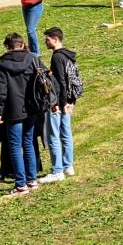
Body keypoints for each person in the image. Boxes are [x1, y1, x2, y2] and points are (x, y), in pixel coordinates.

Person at [0, 32, 45, 194]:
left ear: (7, 47)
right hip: (31, 108)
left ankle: (20, 184)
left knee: (15, 146)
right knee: (28, 142)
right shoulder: (32, 59)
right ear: (22, 45)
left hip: (12, 110)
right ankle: (32, 180)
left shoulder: (2, 65)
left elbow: (1, 91)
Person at [43, 26, 80, 181]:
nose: (45, 42)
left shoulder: (57, 57)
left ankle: (57, 171)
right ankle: (68, 166)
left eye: (47, 39)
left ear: (55, 39)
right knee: (66, 134)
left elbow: (60, 83)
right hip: (68, 101)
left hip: (59, 102)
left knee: (53, 135)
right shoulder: (68, 55)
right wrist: (71, 101)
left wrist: (61, 102)